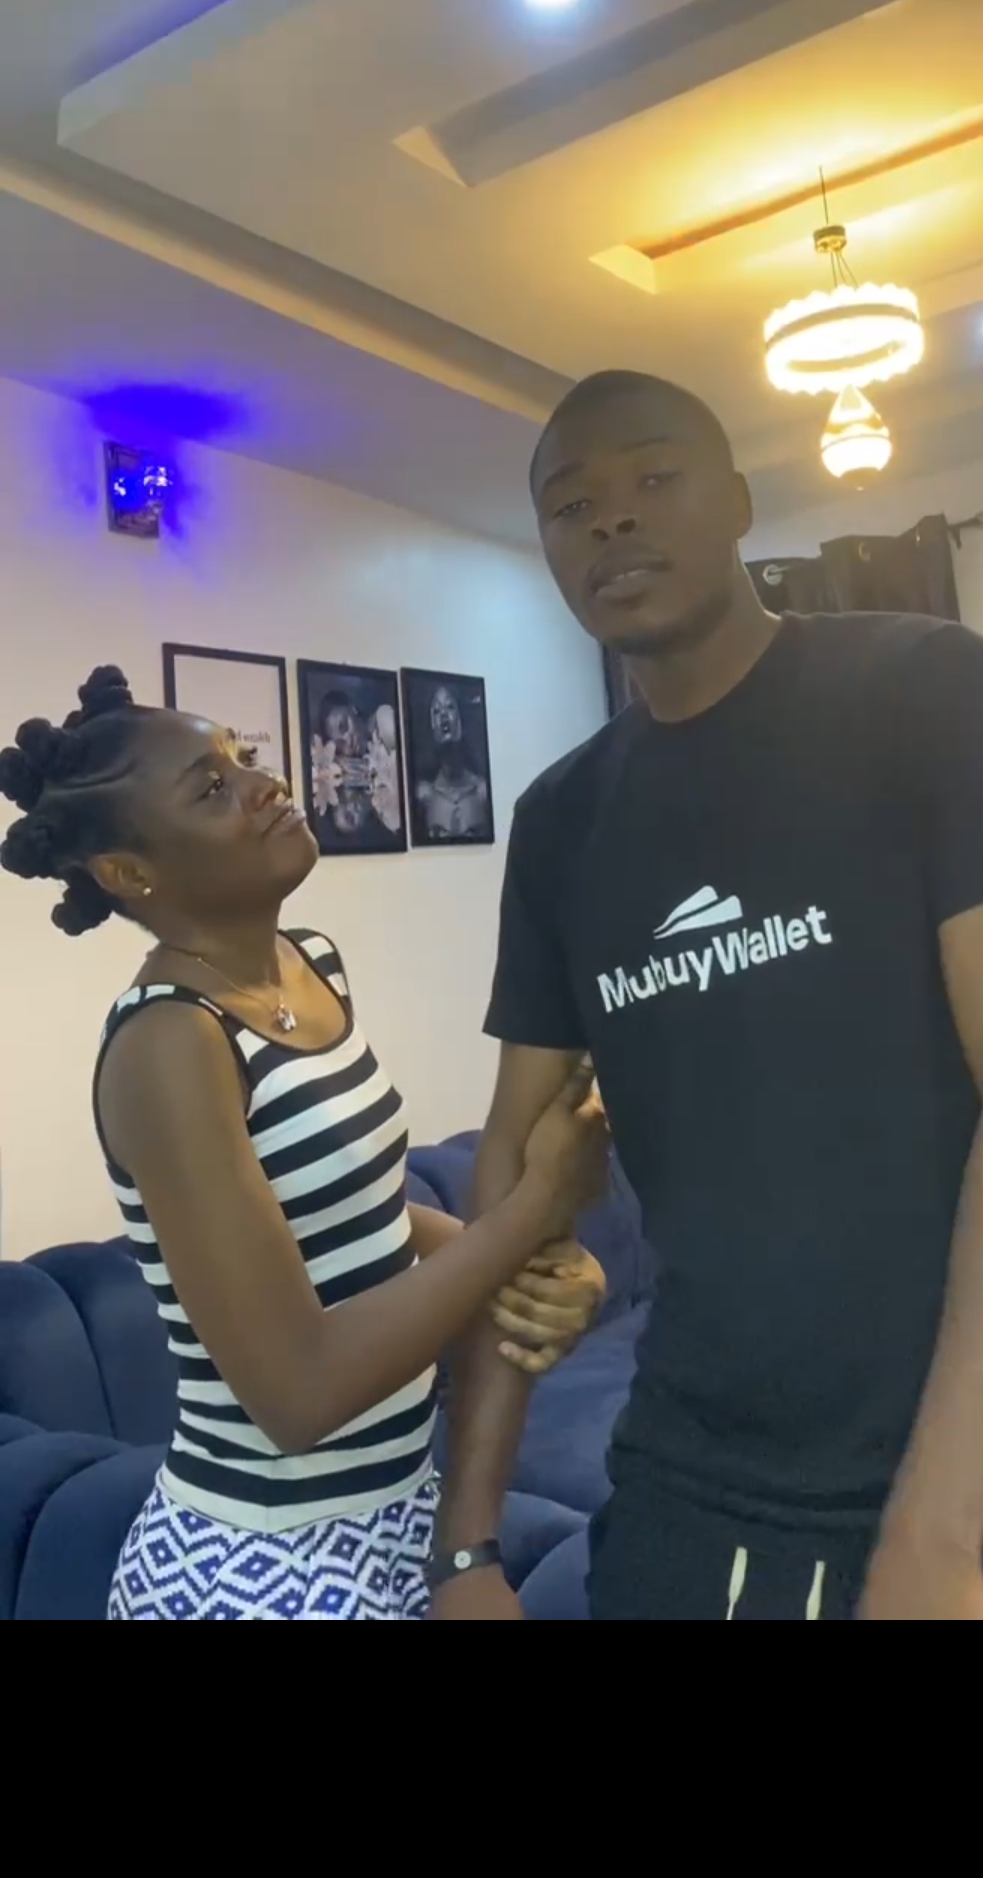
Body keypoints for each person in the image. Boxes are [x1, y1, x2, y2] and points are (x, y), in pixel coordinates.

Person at [434, 369, 983, 1621]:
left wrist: (937, 1530)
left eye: (652, 478)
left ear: (737, 502)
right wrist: (466, 1547)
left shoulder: (929, 690)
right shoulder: (562, 821)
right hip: (690, 1477)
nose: (613, 519)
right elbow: (515, 1165)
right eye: (572, 506)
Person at [0, 667, 607, 1621]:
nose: (265, 784)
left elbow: (356, 1213)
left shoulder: (310, 963)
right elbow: (297, 1393)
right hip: (261, 1561)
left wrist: (532, 1270)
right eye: (213, 787)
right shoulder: (170, 1043)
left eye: (244, 757)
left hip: (400, 1511)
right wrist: (533, 1209)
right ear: (127, 874)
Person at [414, 682, 490, 842]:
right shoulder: (424, 794)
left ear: (460, 718)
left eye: (449, 707)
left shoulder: (482, 791)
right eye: (436, 711)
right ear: (431, 726)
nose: (443, 715)